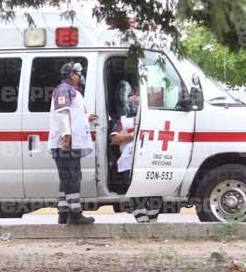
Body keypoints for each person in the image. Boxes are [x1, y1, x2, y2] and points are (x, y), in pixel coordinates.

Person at [48, 62, 98, 225]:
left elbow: (72, 114)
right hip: (66, 143)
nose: (80, 77)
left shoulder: (71, 91)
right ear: (72, 75)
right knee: (72, 177)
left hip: (70, 142)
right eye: (78, 74)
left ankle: (63, 213)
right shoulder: (64, 89)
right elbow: (62, 113)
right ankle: (75, 214)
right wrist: (67, 136)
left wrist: (86, 118)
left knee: (67, 178)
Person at [110, 80, 162, 223]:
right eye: (133, 101)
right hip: (128, 162)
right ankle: (142, 223)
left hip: (150, 161)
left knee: (155, 191)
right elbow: (114, 139)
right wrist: (132, 136)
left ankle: (152, 222)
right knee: (135, 193)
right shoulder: (123, 120)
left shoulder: (153, 119)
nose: (135, 104)